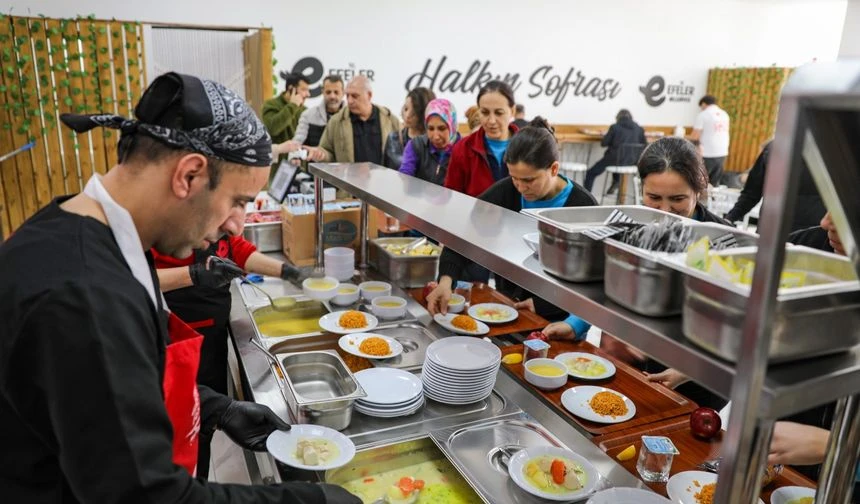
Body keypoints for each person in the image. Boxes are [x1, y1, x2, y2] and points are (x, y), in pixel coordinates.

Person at [0, 72, 359, 503]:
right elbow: (147, 496)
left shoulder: (86, 236)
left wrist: (212, 406)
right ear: (188, 175)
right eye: (239, 201)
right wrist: (309, 501)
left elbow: (114, 389)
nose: (236, 225)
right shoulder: (85, 296)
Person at [153, 236, 312, 479]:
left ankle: (199, 476)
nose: (234, 224)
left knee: (202, 419)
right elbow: (137, 279)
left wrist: (287, 271)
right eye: (236, 203)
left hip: (213, 338)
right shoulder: (164, 230)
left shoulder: (218, 222)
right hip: (178, 342)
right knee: (179, 425)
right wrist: (194, 274)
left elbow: (237, 249)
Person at [426, 118, 597, 328]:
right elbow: (463, 234)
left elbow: (594, 281)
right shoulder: (504, 192)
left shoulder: (583, 207)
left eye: (529, 180)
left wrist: (573, 324)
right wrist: (446, 280)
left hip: (561, 320)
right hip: (508, 308)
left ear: (553, 169)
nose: (520, 187)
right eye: (514, 178)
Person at [600, 137, 730, 410]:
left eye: (678, 199)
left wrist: (691, 368)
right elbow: (605, 286)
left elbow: (733, 328)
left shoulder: (724, 241)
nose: (665, 210)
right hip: (634, 360)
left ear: (699, 189)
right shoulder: (627, 228)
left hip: (698, 379)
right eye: (654, 198)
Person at [724, 141, 826, 231]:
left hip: (810, 236)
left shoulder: (773, 148)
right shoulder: (773, 149)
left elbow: (751, 194)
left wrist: (730, 218)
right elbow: (751, 193)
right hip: (772, 232)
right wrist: (730, 218)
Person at [444, 80, 519, 197]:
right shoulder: (462, 149)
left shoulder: (528, 148)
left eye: (499, 113)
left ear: (512, 111)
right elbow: (452, 197)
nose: (491, 121)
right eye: (484, 112)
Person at [307, 76, 401, 164]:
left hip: (382, 180)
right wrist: (321, 155)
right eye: (347, 96)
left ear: (369, 95)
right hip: (348, 181)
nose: (350, 101)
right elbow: (326, 150)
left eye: (355, 96)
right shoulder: (336, 121)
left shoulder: (390, 120)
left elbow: (403, 152)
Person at [399, 98, 461, 185]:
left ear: (452, 126)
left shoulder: (465, 150)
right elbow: (404, 177)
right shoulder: (416, 145)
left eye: (441, 128)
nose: (436, 136)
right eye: (430, 129)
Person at [583, 109, 647, 192]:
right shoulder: (639, 129)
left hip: (615, 160)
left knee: (590, 173)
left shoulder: (615, 127)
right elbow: (644, 145)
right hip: (632, 161)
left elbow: (604, 143)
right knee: (619, 162)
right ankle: (616, 180)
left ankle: (587, 197)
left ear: (618, 118)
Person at [262, 72, 310, 169]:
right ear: (291, 89)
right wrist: (292, 106)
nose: (308, 94)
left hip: (299, 169)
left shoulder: (304, 110)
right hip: (277, 171)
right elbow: (272, 128)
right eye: (304, 89)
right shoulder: (271, 105)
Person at [384, 87, 435, 169]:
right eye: (406, 108)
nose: (407, 115)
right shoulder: (393, 139)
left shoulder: (434, 142)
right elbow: (384, 171)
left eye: (415, 111)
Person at [291, 74, 345, 148]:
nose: (332, 96)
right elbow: (297, 141)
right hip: (315, 159)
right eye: (328, 92)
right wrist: (294, 156)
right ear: (322, 91)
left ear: (343, 92)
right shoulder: (308, 115)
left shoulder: (352, 116)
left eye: (336, 92)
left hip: (345, 160)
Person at [689, 95, 730, 185]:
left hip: (708, 152)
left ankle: (701, 199)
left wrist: (682, 137)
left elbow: (695, 136)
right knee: (715, 182)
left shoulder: (703, 115)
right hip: (722, 152)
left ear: (703, 104)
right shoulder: (724, 114)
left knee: (701, 181)